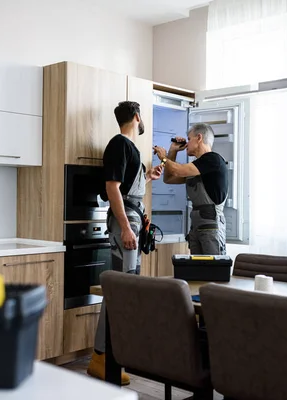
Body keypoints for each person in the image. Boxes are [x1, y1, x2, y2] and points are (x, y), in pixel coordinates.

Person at [87, 101, 163, 384]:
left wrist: (148, 178)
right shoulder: (119, 145)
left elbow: (128, 187)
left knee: (124, 289)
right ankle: (102, 358)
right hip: (125, 222)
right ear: (136, 117)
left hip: (132, 219)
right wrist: (125, 227)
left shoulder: (130, 149)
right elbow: (112, 188)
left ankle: (109, 356)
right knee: (121, 290)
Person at [153, 123, 228, 255]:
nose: (186, 143)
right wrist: (173, 151)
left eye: (189, 139)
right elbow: (169, 178)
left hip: (211, 227)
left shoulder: (212, 159)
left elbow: (178, 171)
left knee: (214, 271)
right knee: (195, 271)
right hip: (196, 226)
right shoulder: (196, 166)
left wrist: (163, 158)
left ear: (199, 138)